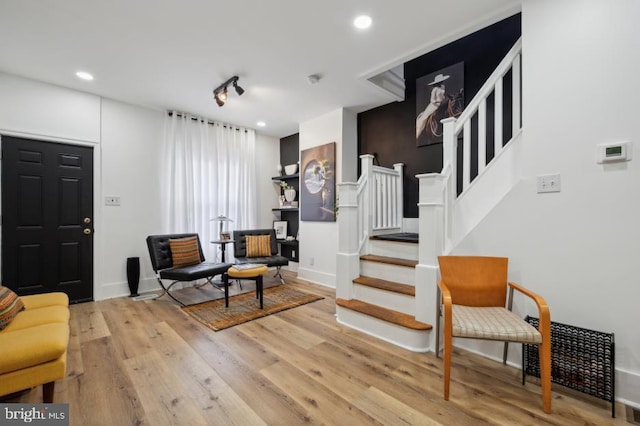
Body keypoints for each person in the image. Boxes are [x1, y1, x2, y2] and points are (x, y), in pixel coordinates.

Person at [416, 73, 449, 139]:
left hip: (441, 103)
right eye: (440, 81)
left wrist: (443, 99)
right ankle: (419, 130)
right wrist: (438, 101)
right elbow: (432, 100)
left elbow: (442, 95)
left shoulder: (443, 87)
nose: (442, 82)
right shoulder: (435, 89)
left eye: (442, 81)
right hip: (434, 105)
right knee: (424, 117)